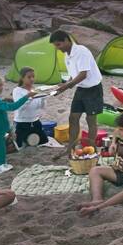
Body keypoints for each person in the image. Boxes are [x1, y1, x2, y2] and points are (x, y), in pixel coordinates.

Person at [50, 30, 104, 160]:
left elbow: (83, 74)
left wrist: (66, 86)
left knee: (90, 120)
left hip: (93, 89)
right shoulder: (66, 55)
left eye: (59, 45)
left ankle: (91, 150)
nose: (58, 49)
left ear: (67, 40)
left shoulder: (81, 51)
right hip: (80, 89)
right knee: (73, 118)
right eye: (56, 46)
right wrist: (61, 86)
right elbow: (73, 75)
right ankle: (71, 148)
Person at [0, 75, 38, 166]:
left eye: (2, 85)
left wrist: (9, 131)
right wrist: (27, 96)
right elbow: (12, 107)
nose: (2, 88)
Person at [12, 66, 48, 148]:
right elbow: (20, 107)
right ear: (22, 78)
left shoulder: (35, 89)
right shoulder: (17, 91)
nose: (32, 79)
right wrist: (30, 97)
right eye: (29, 77)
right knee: (19, 145)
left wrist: (43, 98)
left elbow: (41, 107)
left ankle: (28, 139)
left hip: (35, 122)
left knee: (43, 141)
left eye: (33, 77)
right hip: (21, 123)